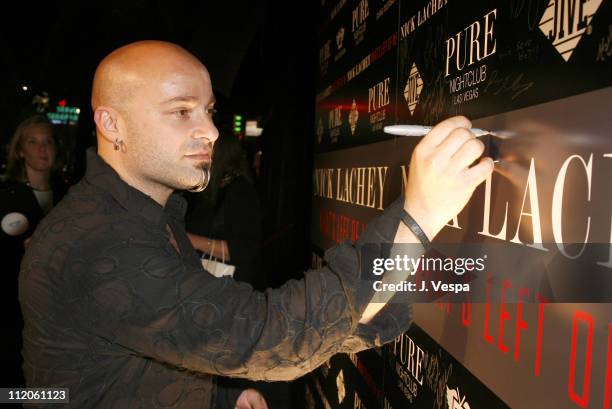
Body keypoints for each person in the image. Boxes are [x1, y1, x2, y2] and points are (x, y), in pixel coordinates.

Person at [19, 41, 494, 408]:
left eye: (207, 112)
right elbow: (265, 334)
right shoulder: (99, 239)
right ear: (111, 124)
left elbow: (144, 356)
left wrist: (220, 397)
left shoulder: (146, 215)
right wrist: (420, 215)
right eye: (181, 111)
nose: (209, 131)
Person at [1, 115, 67, 387]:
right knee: (13, 380)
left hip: (58, 307)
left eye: (48, 141)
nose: (42, 149)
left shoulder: (70, 195)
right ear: (20, 150)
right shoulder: (6, 194)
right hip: (12, 307)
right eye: (33, 142)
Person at [185, 133, 264, 290]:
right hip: (204, 281)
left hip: (228, 287)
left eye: (206, 149)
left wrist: (188, 239)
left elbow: (244, 250)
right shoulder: (208, 188)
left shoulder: (240, 191)